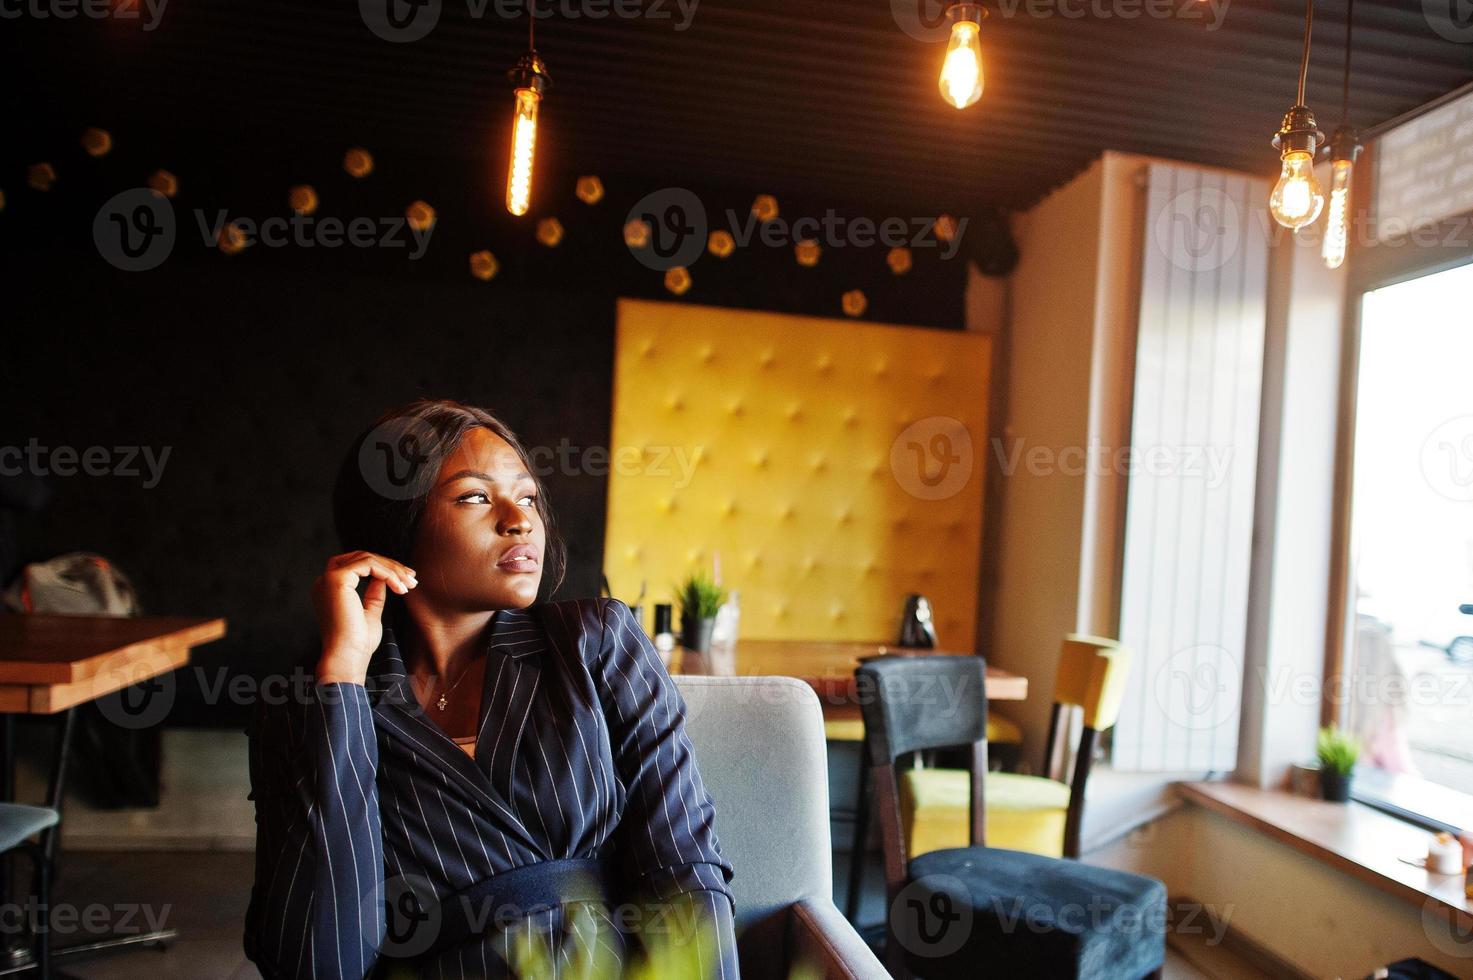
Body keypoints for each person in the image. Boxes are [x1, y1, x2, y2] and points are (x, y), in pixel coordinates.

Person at [243, 399, 737, 979]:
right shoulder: (313, 702)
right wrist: (344, 677)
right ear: (393, 526)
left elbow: (681, 868)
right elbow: (319, 961)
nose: (520, 519)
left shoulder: (592, 641)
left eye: (527, 497)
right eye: (476, 496)